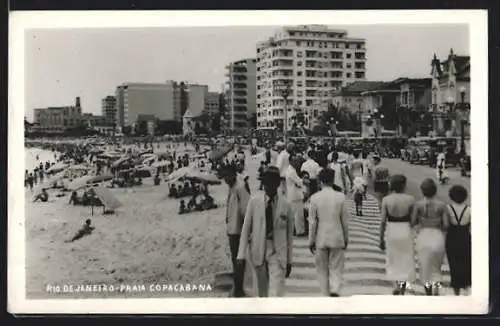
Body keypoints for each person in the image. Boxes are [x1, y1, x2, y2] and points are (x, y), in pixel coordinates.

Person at [237, 166, 293, 297]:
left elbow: (289, 236)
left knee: (277, 291)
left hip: (277, 252)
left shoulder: (286, 205)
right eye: (266, 182)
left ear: (278, 183)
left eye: (272, 183)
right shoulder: (254, 202)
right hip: (258, 249)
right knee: (261, 291)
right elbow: (245, 230)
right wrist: (241, 255)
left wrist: (289, 260)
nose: (268, 186)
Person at [308, 168, 349, 297]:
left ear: (320, 181)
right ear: (333, 180)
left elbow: (312, 221)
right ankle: (335, 289)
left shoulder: (314, 198)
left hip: (321, 236)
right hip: (337, 236)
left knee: (322, 269)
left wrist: (311, 240)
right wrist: (346, 237)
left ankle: (325, 294)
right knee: (336, 267)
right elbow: (344, 221)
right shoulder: (341, 197)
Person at [379, 175, 416, 295]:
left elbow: (383, 221)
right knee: (405, 259)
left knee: (393, 258)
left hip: (391, 230)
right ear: (404, 185)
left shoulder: (386, 199)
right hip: (405, 229)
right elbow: (414, 220)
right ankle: (403, 286)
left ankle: (395, 284)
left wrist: (380, 239)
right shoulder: (410, 199)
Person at [411, 178, 448, 296]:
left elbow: (413, 222)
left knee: (424, 266)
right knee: (436, 267)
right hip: (437, 236)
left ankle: (428, 293)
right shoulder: (442, 205)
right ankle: (436, 289)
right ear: (435, 191)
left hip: (423, 236)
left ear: (422, 191)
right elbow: (446, 225)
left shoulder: (418, 204)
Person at [222, 167, 250, 297]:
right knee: (235, 259)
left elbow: (246, 210)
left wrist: (247, 231)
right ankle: (238, 285)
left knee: (239, 259)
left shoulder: (240, 188)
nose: (225, 180)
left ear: (233, 175)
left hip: (238, 230)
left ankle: (239, 288)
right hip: (232, 228)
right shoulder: (232, 186)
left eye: (227, 177)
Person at [444, 185, 471, 295]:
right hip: (465, 237)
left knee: (453, 263)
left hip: (452, 238)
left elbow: (445, 225)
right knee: (465, 262)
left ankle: (456, 289)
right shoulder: (469, 209)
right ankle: (466, 286)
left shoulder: (448, 208)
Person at [286, 156, 306, 237]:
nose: (297, 163)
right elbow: (298, 182)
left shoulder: (292, 170)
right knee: (298, 215)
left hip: (293, 194)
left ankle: (296, 230)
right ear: (291, 161)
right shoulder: (291, 171)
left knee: (296, 215)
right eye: (295, 161)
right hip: (295, 195)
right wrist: (304, 181)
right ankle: (299, 231)